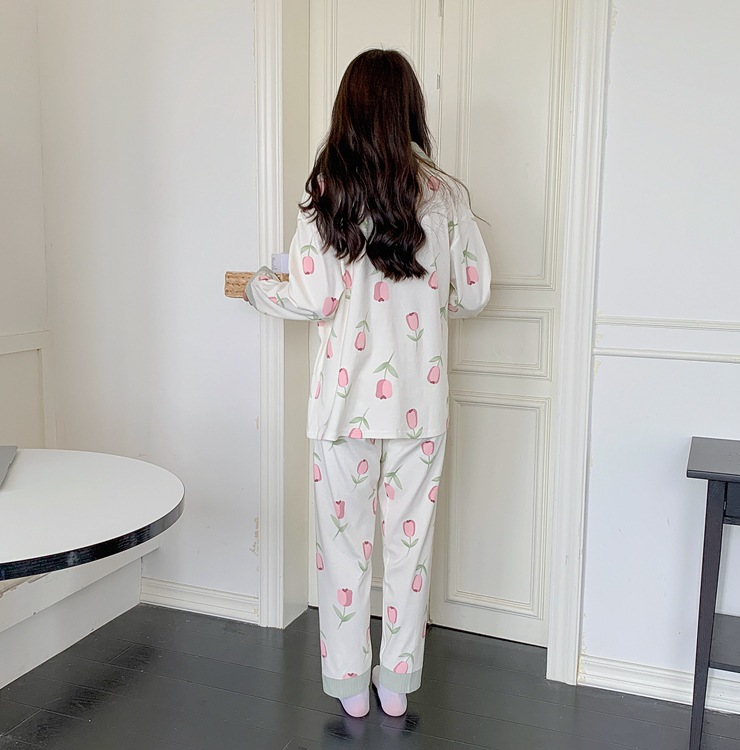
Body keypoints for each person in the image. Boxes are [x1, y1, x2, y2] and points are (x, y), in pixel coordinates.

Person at [243, 48, 490, 718]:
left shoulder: (329, 189)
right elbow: (472, 294)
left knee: (343, 551)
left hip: (341, 407)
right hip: (419, 405)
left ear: (347, 107)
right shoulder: (445, 195)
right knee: (409, 550)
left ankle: (350, 686)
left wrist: (260, 288)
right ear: (410, 107)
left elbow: (311, 298)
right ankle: (396, 683)